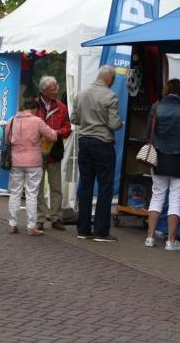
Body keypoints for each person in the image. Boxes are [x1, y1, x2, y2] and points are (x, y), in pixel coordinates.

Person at [143, 79, 180, 251]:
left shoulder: (156, 107)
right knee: (175, 199)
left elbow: (147, 133)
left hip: (159, 158)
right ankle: (171, 241)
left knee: (157, 195)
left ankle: (150, 237)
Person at [71, 65, 123, 242]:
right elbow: (114, 124)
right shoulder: (110, 96)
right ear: (109, 78)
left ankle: (83, 229)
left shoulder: (80, 94)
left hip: (84, 142)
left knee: (85, 185)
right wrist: (120, 123)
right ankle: (101, 231)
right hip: (102, 142)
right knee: (105, 186)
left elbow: (74, 119)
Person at [7, 97, 57, 236]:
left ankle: (12, 224)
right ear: (35, 109)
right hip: (33, 162)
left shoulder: (11, 120)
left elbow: (7, 139)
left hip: (16, 161)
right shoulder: (37, 121)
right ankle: (31, 226)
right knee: (31, 194)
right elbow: (52, 136)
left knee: (15, 192)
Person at [35, 75, 71, 231]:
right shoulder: (34, 105)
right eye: (53, 88)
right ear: (44, 90)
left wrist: (57, 133)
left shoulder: (62, 107)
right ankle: (40, 218)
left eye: (57, 87)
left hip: (54, 151)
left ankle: (55, 217)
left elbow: (68, 127)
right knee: (38, 187)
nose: (57, 91)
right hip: (36, 152)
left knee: (56, 186)